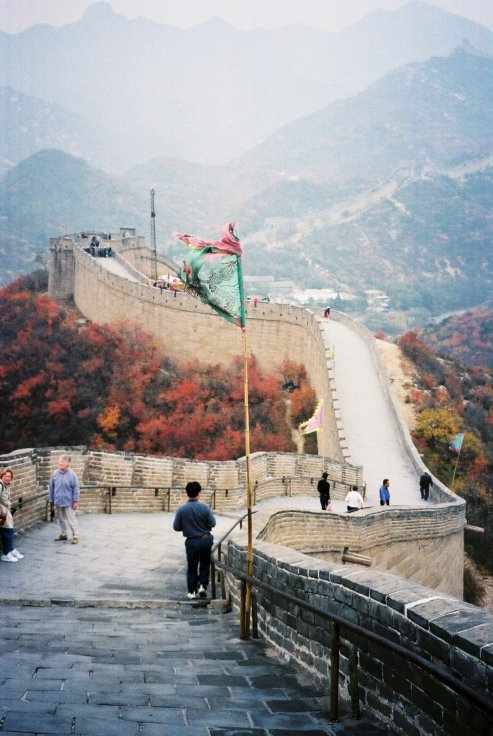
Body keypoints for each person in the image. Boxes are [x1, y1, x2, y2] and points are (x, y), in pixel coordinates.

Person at [173, 481, 216, 600]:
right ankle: (202, 585)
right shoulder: (205, 508)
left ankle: (192, 591)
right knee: (204, 563)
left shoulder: (182, 510)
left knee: (192, 566)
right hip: (205, 539)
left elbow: (176, 527)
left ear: (187, 493)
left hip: (191, 541)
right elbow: (213, 523)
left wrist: (187, 527)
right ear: (199, 493)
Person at [49, 455, 80, 544]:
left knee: (71, 519)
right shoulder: (55, 473)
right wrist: (51, 500)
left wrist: (75, 501)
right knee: (61, 519)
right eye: (60, 461)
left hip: (69, 502)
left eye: (63, 462)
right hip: (58, 501)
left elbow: (76, 488)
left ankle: (75, 535)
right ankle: (64, 534)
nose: (61, 463)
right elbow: (51, 487)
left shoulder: (72, 474)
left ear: (67, 463)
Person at [0, 468, 23, 562]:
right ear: (1, 476)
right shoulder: (0, 486)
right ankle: (6, 553)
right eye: (5, 476)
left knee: (6, 531)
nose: (7, 478)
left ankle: (10, 550)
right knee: (8, 531)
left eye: (9, 476)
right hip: (2, 513)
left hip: (5, 511)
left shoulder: (6, 485)